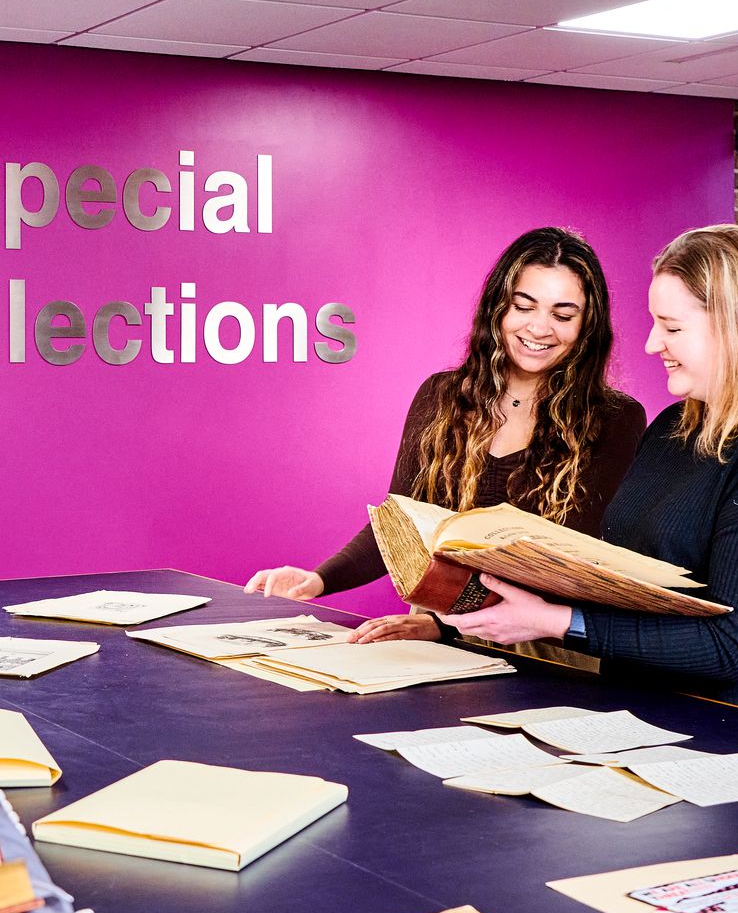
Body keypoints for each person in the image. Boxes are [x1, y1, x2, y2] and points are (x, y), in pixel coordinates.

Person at [447, 224, 738, 726]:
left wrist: (557, 622)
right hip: (643, 724)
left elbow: (733, 647)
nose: (654, 344)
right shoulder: (674, 426)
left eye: (672, 328)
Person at [246, 227, 646, 643]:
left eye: (563, 315)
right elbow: (400, 521)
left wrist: (442, 627)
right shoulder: (441, 396)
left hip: (543, 647)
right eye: (523, 306)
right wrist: (318, 579)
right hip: (440, 636)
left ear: (588, 326)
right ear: (498, 308)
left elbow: (567, 564)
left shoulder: (615, 419)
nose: (540, 328)